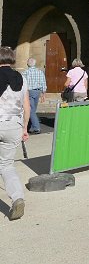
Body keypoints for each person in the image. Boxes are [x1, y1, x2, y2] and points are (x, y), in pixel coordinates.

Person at [0, 46, 30, 221]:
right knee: (7, 165)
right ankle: (17, 197)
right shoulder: (21, 78)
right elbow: (27, 106)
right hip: (13, 125)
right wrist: (24, 128)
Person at [22, 57, 46, 134]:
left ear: (27, 64)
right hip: (37, 91)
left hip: (29, 91)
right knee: (33, 109)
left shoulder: (25, 72)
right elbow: (43, 82)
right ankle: (32, 127)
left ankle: (36, 127)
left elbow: (23, 84)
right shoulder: (40, 72)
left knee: (31, 110)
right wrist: (43, 93)